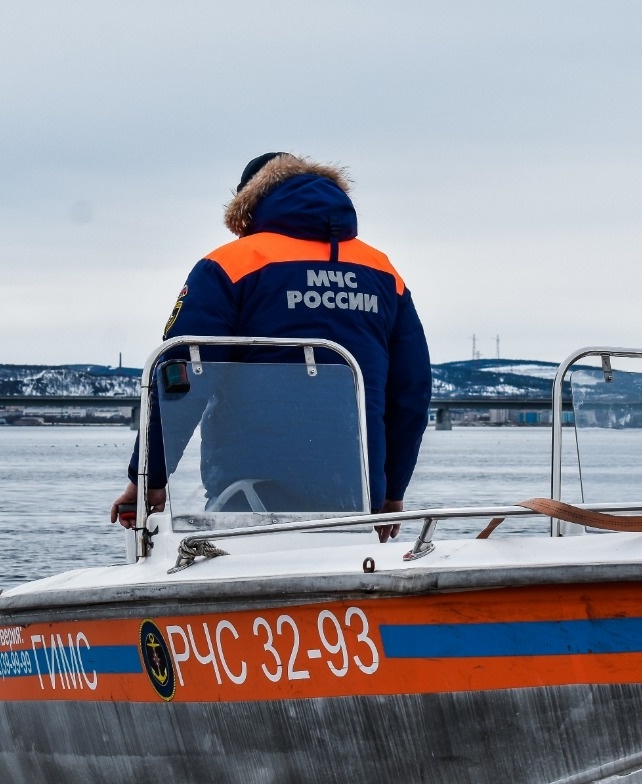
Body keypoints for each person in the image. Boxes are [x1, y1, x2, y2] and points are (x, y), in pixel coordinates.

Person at [110, 152, 430, 541]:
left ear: (248, 201)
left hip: (250, 499)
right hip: (357, 499)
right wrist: (392, 491)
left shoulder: (230, 265)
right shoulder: (383, 272)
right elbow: (411, 393)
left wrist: (148, 478)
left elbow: (181, 379)